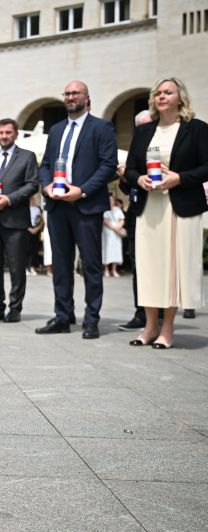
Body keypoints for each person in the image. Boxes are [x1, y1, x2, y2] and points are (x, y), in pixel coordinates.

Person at [124, 77, 208, 349]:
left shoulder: (196, 129)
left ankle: (167, 330)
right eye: (158, 93)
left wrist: (180, 178)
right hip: (149, 206)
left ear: (180, 98)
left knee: (172, 268)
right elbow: (132, 168)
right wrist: (139, 180)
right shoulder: (144, 132)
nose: (161, 96)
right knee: (149, 268)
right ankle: (149, 327)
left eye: (167, 92)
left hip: (180, 207)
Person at [35, 80, 118, 340]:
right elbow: (46, 163)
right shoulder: (57, 129)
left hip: (86, 205)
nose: (71, 97)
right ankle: (63, 316)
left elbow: (108, 165)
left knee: (91, 265)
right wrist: (47, 186)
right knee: (61, 265)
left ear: (86, 98)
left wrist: (80, 190)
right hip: (57, 206)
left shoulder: (101, 127)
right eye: (67, 93)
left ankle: (91, 319)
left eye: (75, 93)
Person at [0, 118, 39, 323]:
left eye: (8, 133)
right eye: (1, 133)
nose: (4, 136)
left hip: (16, 220)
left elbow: (32, 185)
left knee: (16, 267)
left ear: (16, 134)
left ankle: (15, 308)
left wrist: (9, 199)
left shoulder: (27, 157)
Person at [117, 109, 154, 331]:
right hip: (136, 210)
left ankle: (158, 313)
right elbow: (126, 187)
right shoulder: (135, 151)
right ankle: (141, 313)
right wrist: (126, 176)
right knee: (138, 263)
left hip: (158, 210)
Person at [102, 194, 125, 277]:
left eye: (112, 200)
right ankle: (106, 269)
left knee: (116, 250)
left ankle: (114, 270)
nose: (110, 201)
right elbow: (104, 220)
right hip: (107, 232)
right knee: (106, 250)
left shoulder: (118, 209)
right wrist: (115, 228)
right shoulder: (104, 209)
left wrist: (118, 227)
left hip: (116, 233)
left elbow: (122, 220)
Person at [27, 195, 44, 275]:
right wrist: (28, 228)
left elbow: (41, 220)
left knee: (34, 249)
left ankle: (32, 267)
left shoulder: (38, 208)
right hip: (27, 230)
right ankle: (26, 267)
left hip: (36, 229)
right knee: (26, 249)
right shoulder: (25, 208)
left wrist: (37, 229)